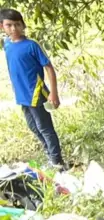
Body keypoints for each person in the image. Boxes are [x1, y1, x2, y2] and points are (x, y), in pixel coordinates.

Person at [0, 9, 65, 169]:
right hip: (22, 93)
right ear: (2, 26)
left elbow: (49, 68)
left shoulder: (32, 45)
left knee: (44, 127)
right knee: (33, 126)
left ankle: (57, 162)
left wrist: (54, 94)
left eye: (17, 24)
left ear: (23, 25)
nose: (14, 29)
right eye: (9, 25)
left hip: (35, 92)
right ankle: (49, 154)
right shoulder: (7, 44)